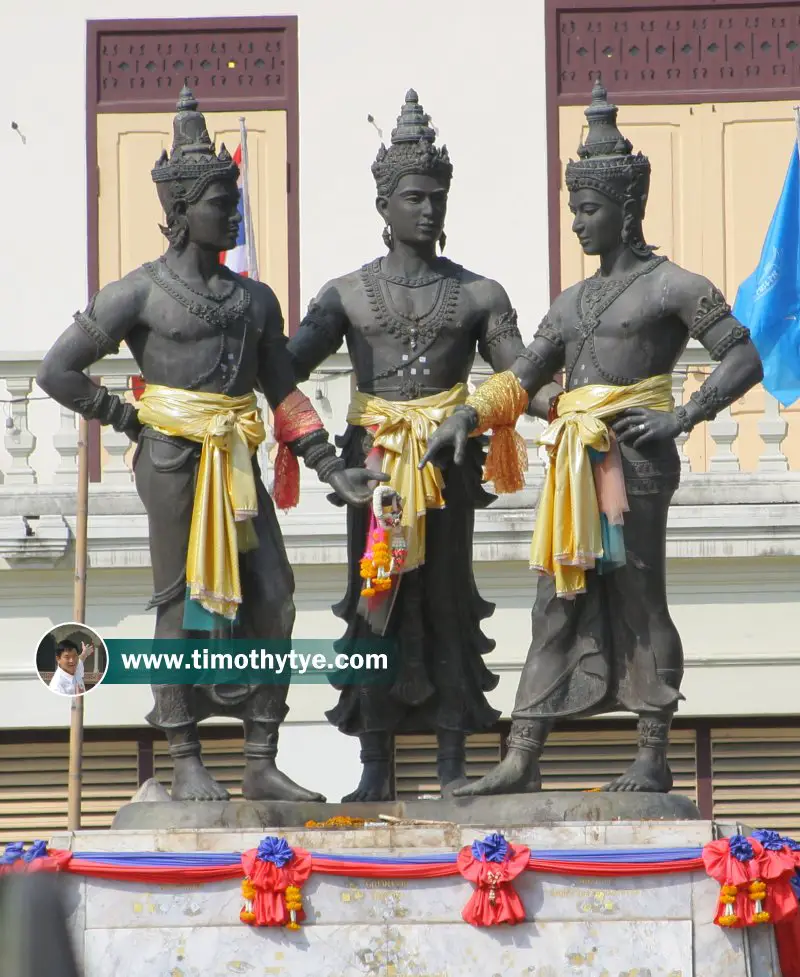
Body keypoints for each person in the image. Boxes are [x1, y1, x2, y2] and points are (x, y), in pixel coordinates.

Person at [37, 87, 379, 803]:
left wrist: (329, 467)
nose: (233, 214)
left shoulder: (254, 301)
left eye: (236, 202)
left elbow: (283, 390)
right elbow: (57, 369)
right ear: (183, 209)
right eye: (221, 203)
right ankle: (185, 752)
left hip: (237, 462)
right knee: (179, 603)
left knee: (275, 597)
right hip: (171, 459)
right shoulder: (136, 293)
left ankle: (260, 752)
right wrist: (125, 417)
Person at [421, 81, 764, 796]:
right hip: (574, 465)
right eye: (573, 208)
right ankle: (523, 752)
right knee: (555, 597)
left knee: (641, 596)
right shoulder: (570, 304)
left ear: (627, 209)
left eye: (589, 209)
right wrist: (466, 414)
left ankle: (653, 751)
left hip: (637, 459)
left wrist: (684, 414)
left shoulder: (674, 285)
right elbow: (521, 374)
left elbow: (743, 354)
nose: (577, 223)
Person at [287, 89, 560, 802]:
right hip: (373, 465)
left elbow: (519, 373)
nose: (428, 209)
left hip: (448, 465)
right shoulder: (344, 294)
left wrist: (582, 403)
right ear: (384, 205)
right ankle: (374, 765)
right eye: (414, 196)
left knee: (445, 600)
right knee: (375, 599)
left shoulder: (477, 295)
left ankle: (449, 762)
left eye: (437, 196)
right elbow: (281, 367)